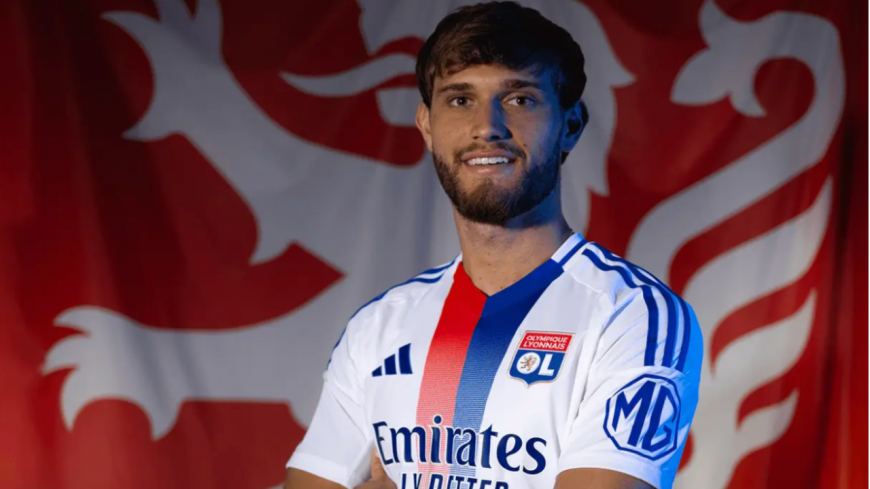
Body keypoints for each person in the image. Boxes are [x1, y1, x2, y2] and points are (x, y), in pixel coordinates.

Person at [284, 2, 702, 488]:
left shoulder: (633, 315)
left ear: (570, 125)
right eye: (460, 99)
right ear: (427, 126)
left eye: (520, 99)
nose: (487, 127)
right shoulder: (378, 327)